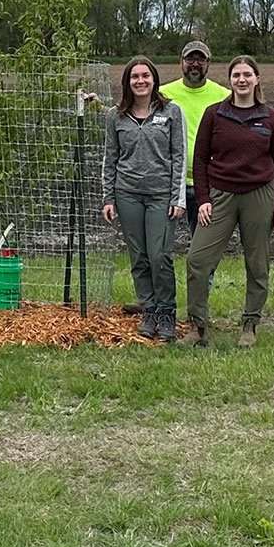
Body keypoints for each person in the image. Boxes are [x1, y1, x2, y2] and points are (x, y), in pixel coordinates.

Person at [179, 56, 274, 348]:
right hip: (220, 196)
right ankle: (197, 326)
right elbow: (200, 159)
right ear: (230, 81)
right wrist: (203, 199)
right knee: (198, 260)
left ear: (257, 79)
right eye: (236, 75)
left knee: (257, 263)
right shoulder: (214, 114)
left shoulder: (270, 118)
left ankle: (250, 324)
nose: (242, 80)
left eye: (247, 75)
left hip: (259, 196)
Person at [102, 56, 187, 342]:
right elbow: (110, 158)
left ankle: (167, 313)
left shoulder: (172, 112)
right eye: (134, 77)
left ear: (154, 80)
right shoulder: (116, 116)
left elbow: (179, 157)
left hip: (161, 196)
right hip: (127, 195)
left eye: (145, 76)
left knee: (159, 255)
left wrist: (178, 197)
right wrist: (108, 197)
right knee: (138, 257)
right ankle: (148, 310)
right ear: (127, 82)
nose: (140, 81)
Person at [157, 40, 230, 312]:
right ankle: (158, 303)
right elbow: (132, 115)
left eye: (201, 59)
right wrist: (97, 109)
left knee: (203, 254)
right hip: (169, 186)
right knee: (159, 249)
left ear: (208, 63)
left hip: (207, 189)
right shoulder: (164, 94)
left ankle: (197, 308)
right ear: (181, 62)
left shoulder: (223, 96)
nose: (195, 64)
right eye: (190, 59)